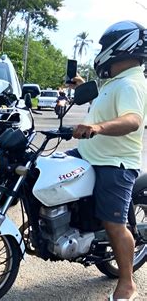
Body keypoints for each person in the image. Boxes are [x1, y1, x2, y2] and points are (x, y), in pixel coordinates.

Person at [67, 21, 147, 300]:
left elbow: (132, 120)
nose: (101, 52)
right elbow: (101, 110)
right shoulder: (115, 83)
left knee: (114, 224)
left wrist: (98, 128)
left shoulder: (132, 83)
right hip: (90, 154)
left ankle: (127, 284)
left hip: (115, 162)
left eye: (104, 46)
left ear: (122, 46)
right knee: (46, 173)